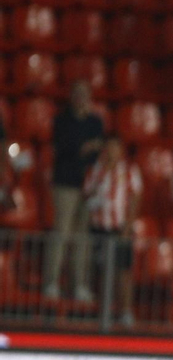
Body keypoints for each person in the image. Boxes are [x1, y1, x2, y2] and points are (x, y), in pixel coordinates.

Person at [43, 82, 107, 302]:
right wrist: (84, 147)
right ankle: (51, 282)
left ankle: (78, 284)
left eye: (85, 94)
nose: (81, 98)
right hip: (65, 184)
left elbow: (99, 149)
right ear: (71, 97)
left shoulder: (95, 122)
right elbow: (64, 147)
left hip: (89, 185)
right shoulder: (61, 121)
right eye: (77, 93)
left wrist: (86, 148)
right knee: (61, 232)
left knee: (83, 237)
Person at [83, 133, 142, 325]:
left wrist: (128, 225)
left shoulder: (130, 171)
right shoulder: (95, 171)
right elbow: (86, 195)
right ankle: (102, 310)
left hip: (119, 228)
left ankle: (125, 310)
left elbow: (135, 199)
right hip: (99, 227)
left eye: (115, 147)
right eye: (108, 148)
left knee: (123, 270)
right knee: (100, 269)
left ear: (121, 150)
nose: (111, 151)